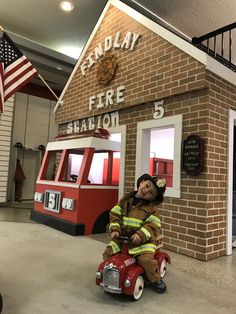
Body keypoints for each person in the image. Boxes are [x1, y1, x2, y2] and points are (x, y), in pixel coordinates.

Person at [103, 173, 167, 293]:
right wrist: (115, 229)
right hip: (122, 238)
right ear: (141, 182)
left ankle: (155, 280)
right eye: (146, 185)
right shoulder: (125, 201)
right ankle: (111, 277)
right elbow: (115, 215)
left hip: (142, 242)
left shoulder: (152, 210)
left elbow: (152, 226)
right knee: (108, 252)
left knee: (146, 261)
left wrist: (140, 235)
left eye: (151, 192)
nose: (146, 190)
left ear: (152, 198)